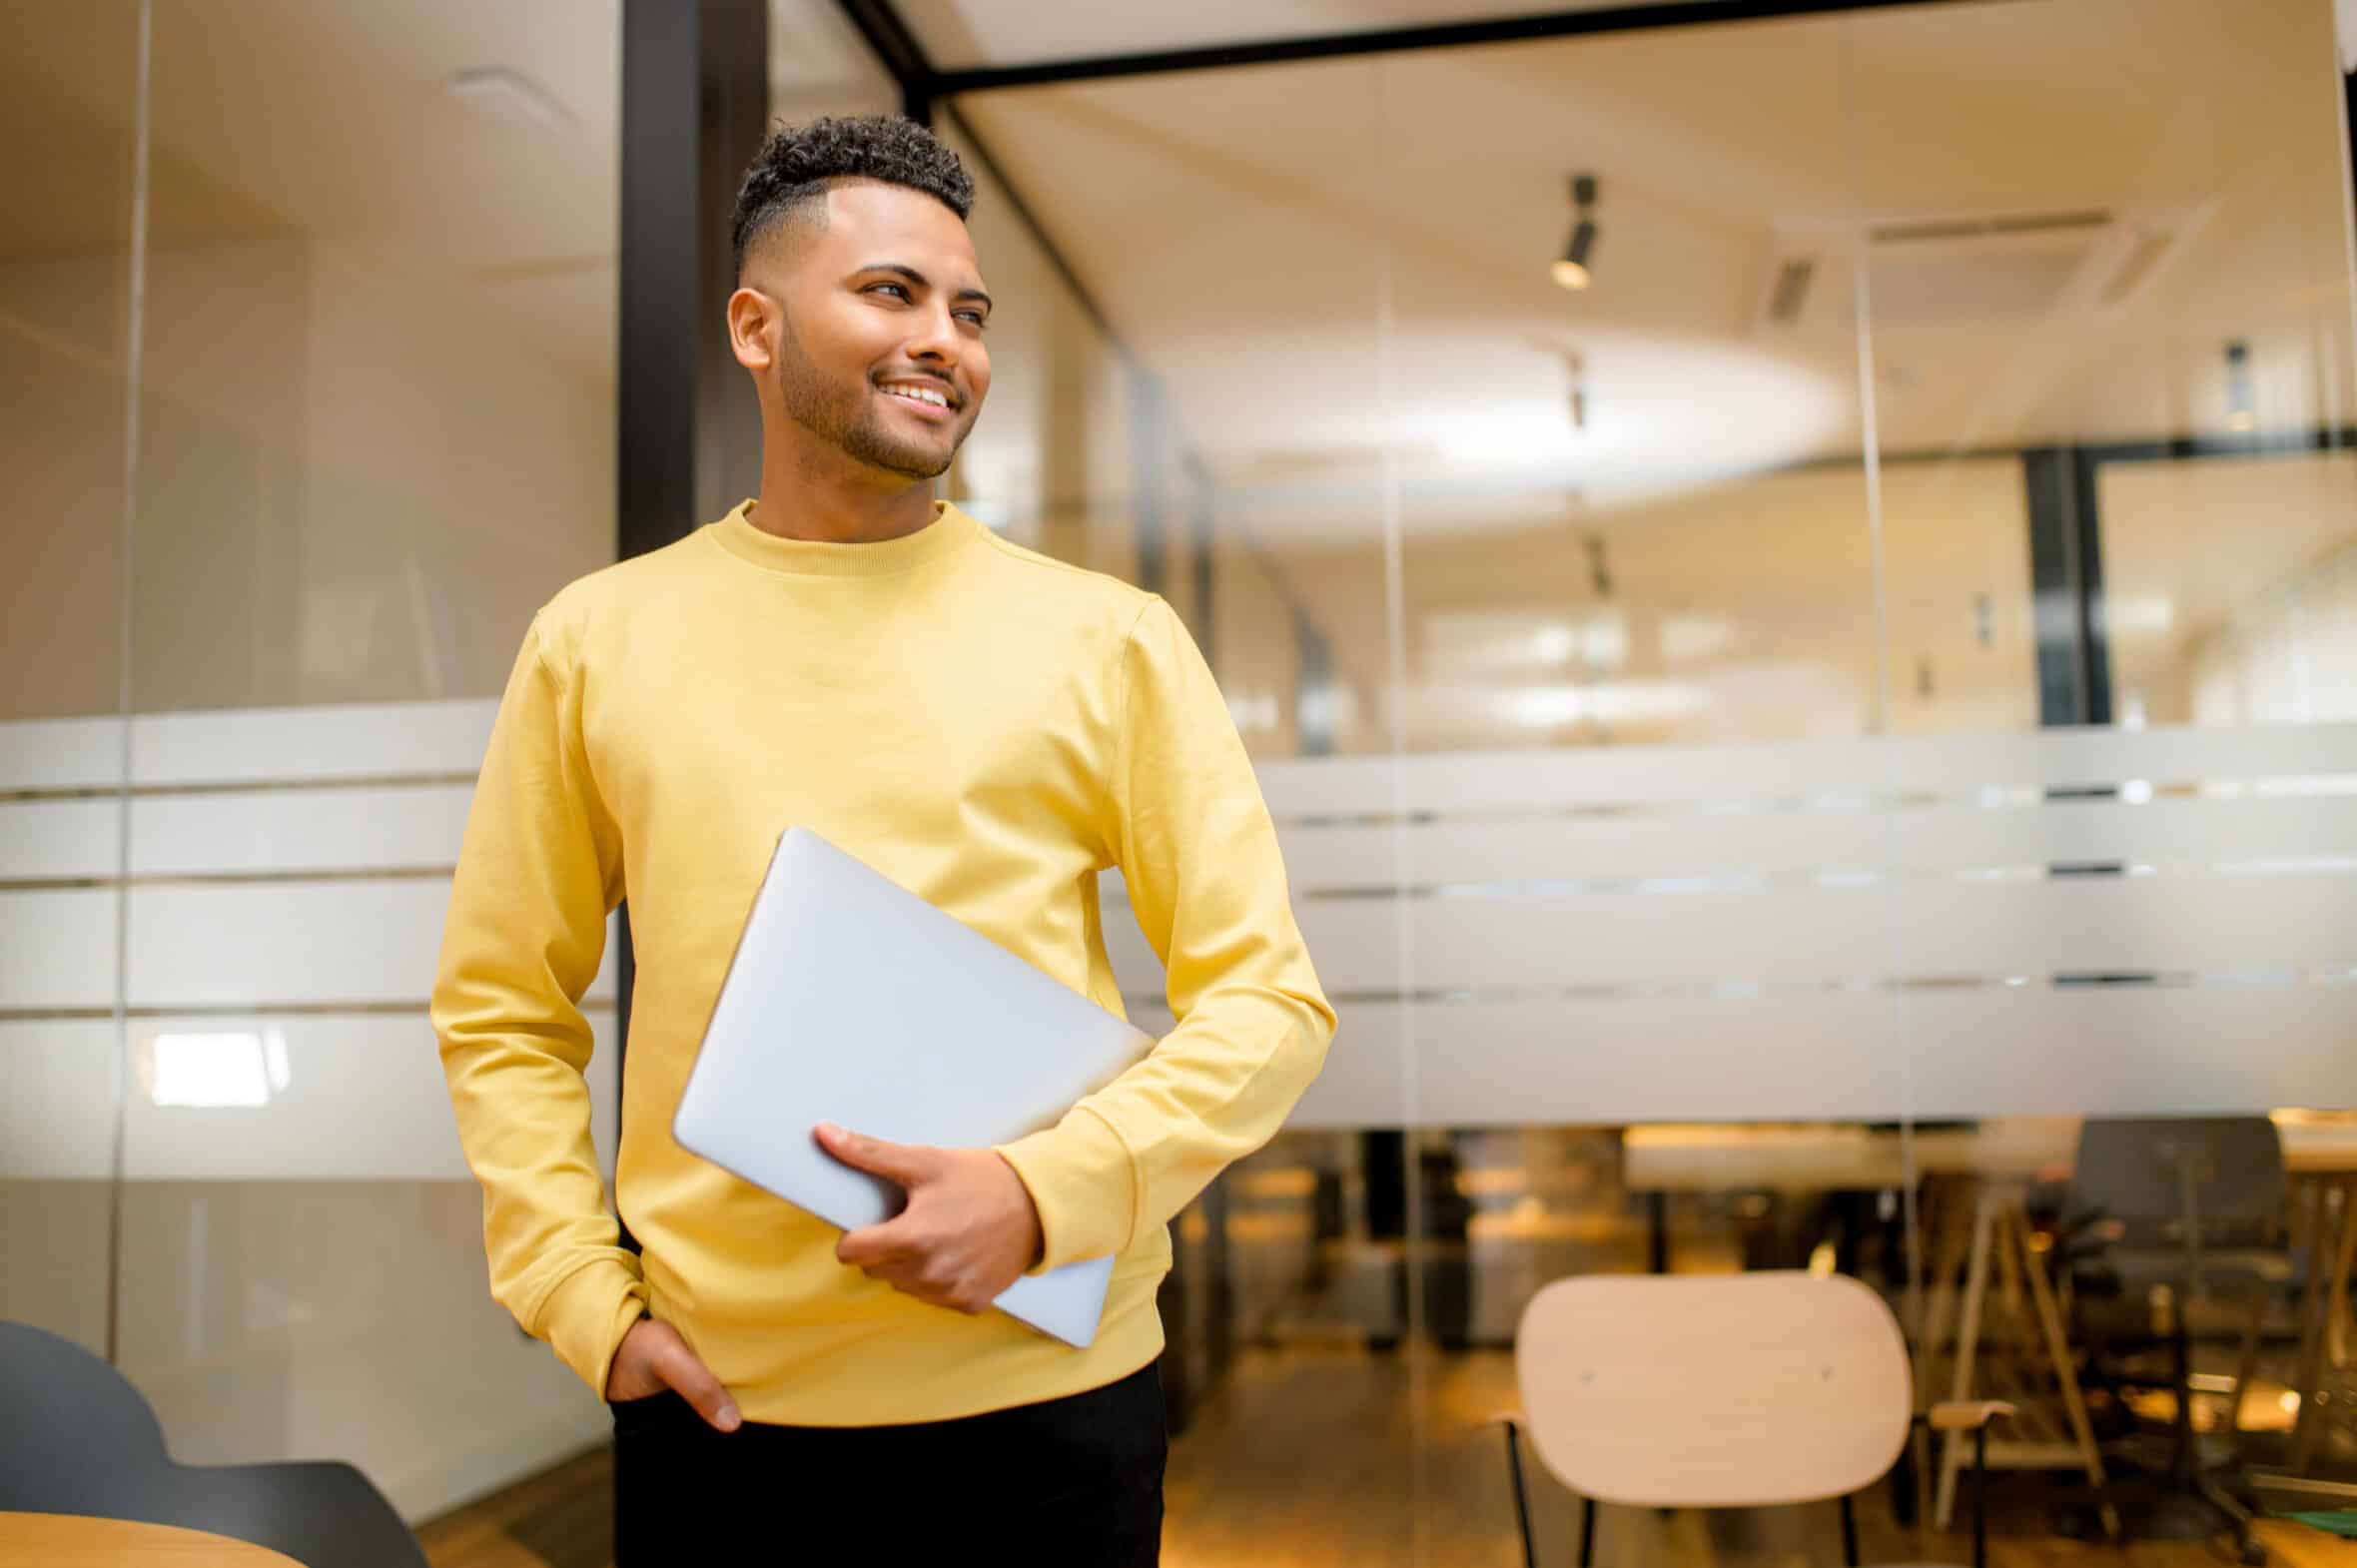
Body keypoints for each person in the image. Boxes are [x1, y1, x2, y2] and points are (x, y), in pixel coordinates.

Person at [430, 114, 1335, 1564]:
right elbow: (502, 1007)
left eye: (968, 312)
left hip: (1050, 1404)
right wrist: (576, 1297)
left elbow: (1271, 1002)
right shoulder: (597, 641)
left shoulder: (1110, 640)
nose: (947, 342)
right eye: (893, 294)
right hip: (719, 1418)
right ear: (755, 326)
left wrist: (1046, 1192)